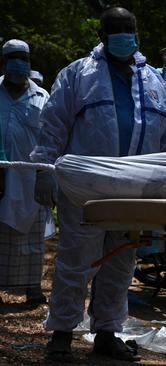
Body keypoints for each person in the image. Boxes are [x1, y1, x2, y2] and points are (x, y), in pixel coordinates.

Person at [31, 7, 166, 362]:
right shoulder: (78, 75)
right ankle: (62, 335)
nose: (123, 36)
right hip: (86, 187)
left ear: (137, 35)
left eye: (128, 29)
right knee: (76, 260)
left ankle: (107, 332)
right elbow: (53, 126)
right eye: (115, 30)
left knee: (121, 262)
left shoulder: (156, 82)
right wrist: (43, 170)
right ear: (102, 35)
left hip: (134, 188)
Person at [0, 39, 49, 305]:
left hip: (31, 178)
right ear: (4, 62)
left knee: (32, 237)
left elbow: (51, 138)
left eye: (24, 59)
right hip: (0, 175)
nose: (19, 63)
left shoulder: (42, 96)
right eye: (13, 58)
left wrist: (46, 175)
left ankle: (32, 288)